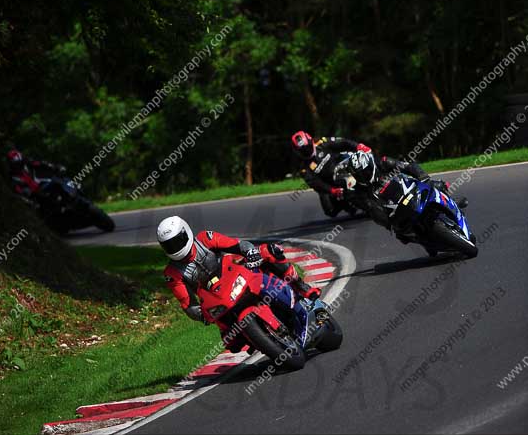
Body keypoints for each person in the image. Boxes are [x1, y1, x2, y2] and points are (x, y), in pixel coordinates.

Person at [157, 216, 321, 351]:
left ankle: (300, 286)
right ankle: (259, 339)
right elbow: (188, 304)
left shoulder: (205, 239)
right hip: (217, 300)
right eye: (169, 245)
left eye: (177, 241)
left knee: (268, 251)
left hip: (236, 274)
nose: (175, 247)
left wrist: (249, 252)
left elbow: (238, 245)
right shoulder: (172, 273)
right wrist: (203, 316)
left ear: (186, 232)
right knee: (232, 343)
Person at [291, 131, 467, 230]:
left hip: (348, 165)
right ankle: (374, 209)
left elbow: (344, 142)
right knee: (330, 210)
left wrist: (358, 146)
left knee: (388, 167)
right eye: (303, 150)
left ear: (309, 141)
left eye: (307, 146)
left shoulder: (323, 142)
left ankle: (442, 193)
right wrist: (332, 191)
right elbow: (315, 183)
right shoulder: (304, 167)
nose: (307, 150)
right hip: (332, 183)